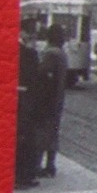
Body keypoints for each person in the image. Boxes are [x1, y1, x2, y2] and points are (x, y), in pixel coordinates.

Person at [14, 18, 45, 188]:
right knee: (25, 137)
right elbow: (36, 81)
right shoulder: (29, 54)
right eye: (31, 33)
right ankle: (24, 176)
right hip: (25, 101)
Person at [37, 24, 69, 177]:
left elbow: (42, 76)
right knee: (53, 132)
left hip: (46, 100)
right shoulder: (62, 54)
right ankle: (51, 164)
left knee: (42, 132)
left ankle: (41, 166)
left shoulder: (51, 54)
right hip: (57, 98)